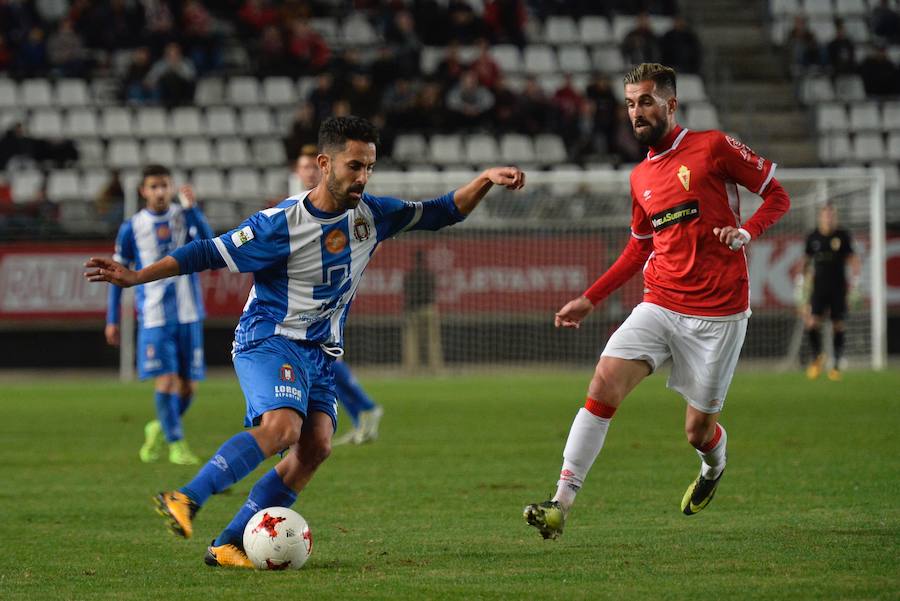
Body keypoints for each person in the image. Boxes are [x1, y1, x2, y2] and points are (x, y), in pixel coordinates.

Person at [85, 116, 526, 567]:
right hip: (269, 338)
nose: (363, 177)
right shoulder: (280, 223)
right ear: (323, 163)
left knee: (316, 447)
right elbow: (205, 251)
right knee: (283, 429)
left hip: (320, 353)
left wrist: (486, 180)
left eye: (369, 167)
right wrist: (138, 276)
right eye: (354, 166)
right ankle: (186, 497)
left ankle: (228, 543)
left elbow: (442, 211)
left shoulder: (372, 215)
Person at [523, 63, 791, 540]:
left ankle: (713, 466)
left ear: (670, 103)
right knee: (604, 382)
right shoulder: (639, 177)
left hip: (719, 312)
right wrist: (591, 297)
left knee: (697, 432)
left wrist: (748, 231)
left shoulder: (713, 146)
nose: (636, 112)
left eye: (645, 101)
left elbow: (777, 195)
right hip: (661, 301)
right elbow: (639, 247)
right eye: (629, 103)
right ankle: (560, 502)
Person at [104, 164, 214, 466]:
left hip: (189, 312)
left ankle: (160, 426)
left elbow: (210, 247)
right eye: (153, 186)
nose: (160, 192)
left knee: (189, 387)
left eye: (164, 185)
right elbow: (117, 274)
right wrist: (112, 318)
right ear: (143, 191)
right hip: (154, 316)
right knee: (165, 382)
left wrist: (193, 210)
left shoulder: (183, 216)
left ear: (172, 187)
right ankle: (177, 444)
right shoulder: (132, 227)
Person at [291, 143, 385, 446]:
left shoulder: (346, 204)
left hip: (330, 295)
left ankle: (365, 409)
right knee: (324, 359)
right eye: (303, 168)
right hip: (305, 296)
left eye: (312, 167)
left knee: (323, 355)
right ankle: (363, 413)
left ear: (323, 167)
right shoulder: (294, 207)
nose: (308, 172)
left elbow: (372, 233)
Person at [799, 204, 861, 381]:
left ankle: (836, 365)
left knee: (838, 324)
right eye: (826, 215)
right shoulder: (813, 237)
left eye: (832, 215)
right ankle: (818, 357)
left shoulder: (843, 235)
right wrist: (801, 283)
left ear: (835, 217)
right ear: (820, 217)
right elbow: (805, 261)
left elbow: (853, 260)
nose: (829, 218)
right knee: (811, 322)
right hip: (818, 288)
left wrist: (856, 284)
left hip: (838, 288)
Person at [402, 249, 442, 373]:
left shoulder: (409, 276)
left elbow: (406, 293)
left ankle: (411, 369)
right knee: (432, 340)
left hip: (413, 309)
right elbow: (434, 290)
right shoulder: (429, 274)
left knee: (411, 341)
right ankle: (435, 368)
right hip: (428, 308)